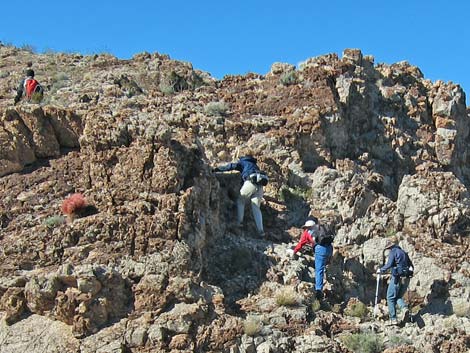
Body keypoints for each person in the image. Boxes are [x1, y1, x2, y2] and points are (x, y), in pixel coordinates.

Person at [213, 153, 268, 237]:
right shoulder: (254, 165)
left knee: (240, 200)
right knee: (256, 208)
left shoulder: (243, 162)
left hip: (250, 182)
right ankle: (261, 231)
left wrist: (217, 169)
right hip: (260, 186)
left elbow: (231, 166)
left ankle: (239, 223)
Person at [287, 218, 333, 300]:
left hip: (320, 249)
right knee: (326, 266)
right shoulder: (321, 228)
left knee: (319, 270)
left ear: (307, 227)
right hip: (329, 248)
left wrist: (294, 251)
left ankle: (319, 291)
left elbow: (301, 244)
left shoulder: (307, 232)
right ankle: (330, 282)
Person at [377, 236, 414, 326]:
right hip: (406, 278)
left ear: (391, 246)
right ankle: (404, 309)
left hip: (397, 278)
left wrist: (381, 270)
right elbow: (411, 266)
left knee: (390, 297)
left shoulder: (393, 252)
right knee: (397, 297)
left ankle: (393, 319)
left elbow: (389, 264)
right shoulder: (404, 252)